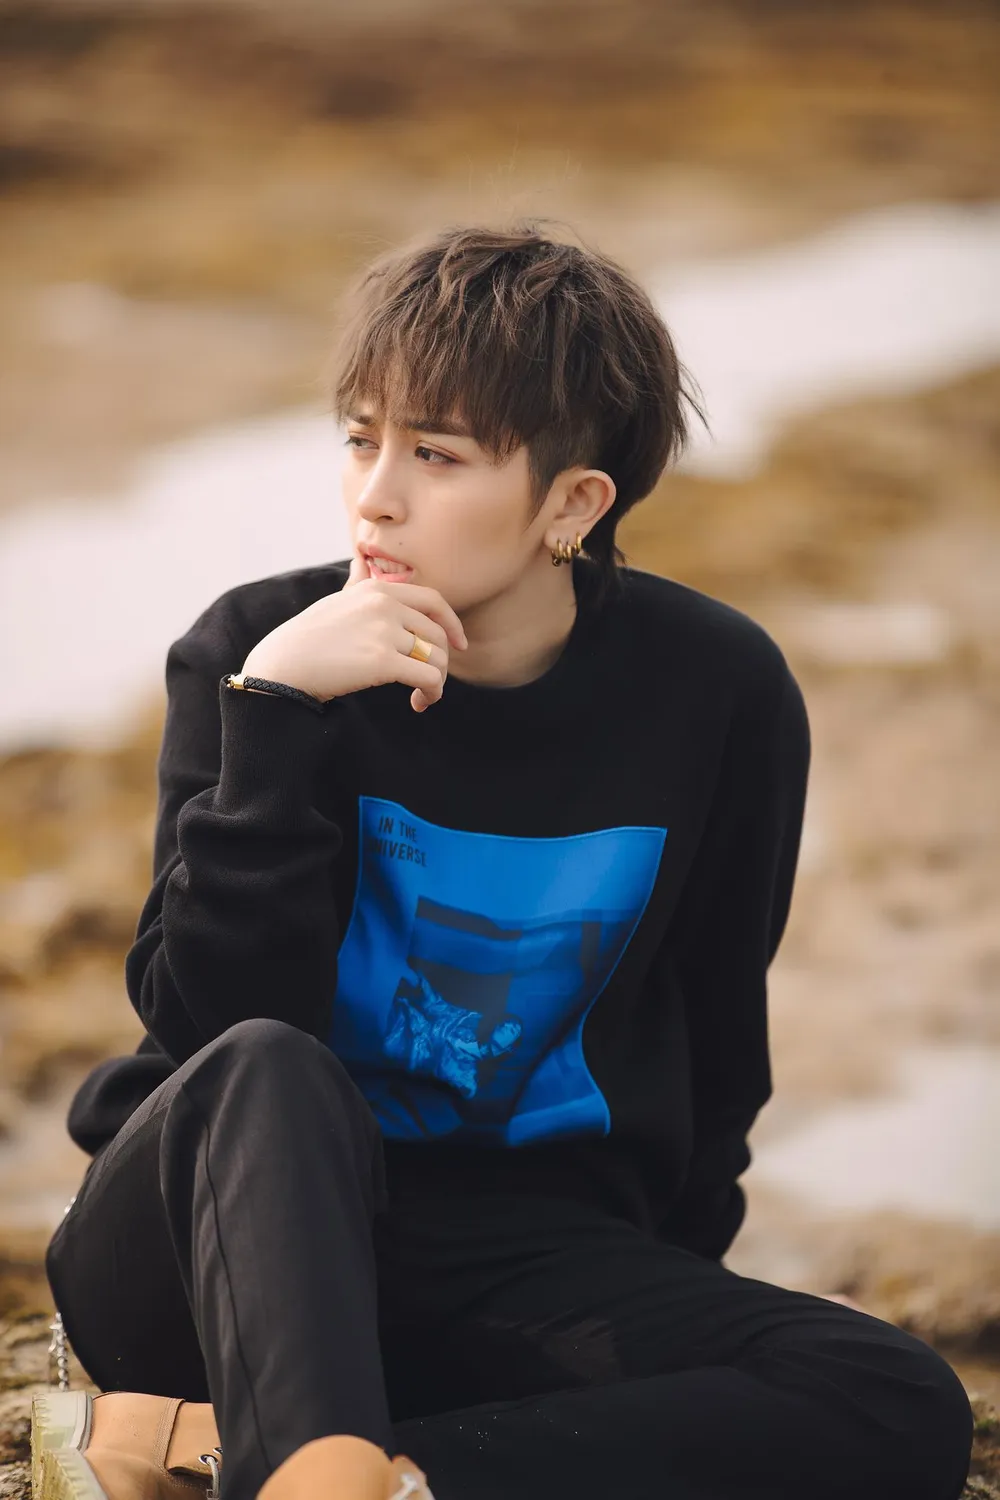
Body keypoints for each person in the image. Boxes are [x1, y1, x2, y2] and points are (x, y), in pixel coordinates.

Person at [38, 223, 973, 1500]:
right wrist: (277, 721)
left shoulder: (715, 691)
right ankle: (299, 1457)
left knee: (890, 1393)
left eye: (436, 455)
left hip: (506, 1256)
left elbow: (715, 1045)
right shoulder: (258, 650)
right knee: (271, 1065)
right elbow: (205, 1031)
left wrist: (657, 1320)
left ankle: (301, 1466)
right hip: (206, 1249)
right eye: (360, 439)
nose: (375, 496)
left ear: (573, 504)